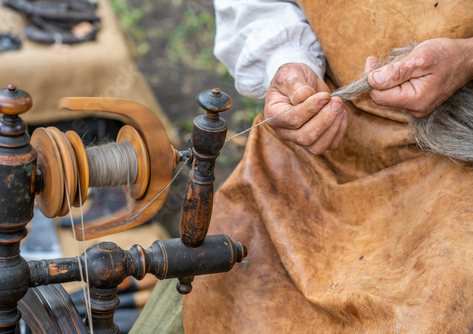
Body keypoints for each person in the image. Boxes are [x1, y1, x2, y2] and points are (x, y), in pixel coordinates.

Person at [180, 0, 473, 333]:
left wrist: (467, 57)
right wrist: (288, 62)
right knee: (232, 286)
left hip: (456, 154)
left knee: (438, 311)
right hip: (313, 135)